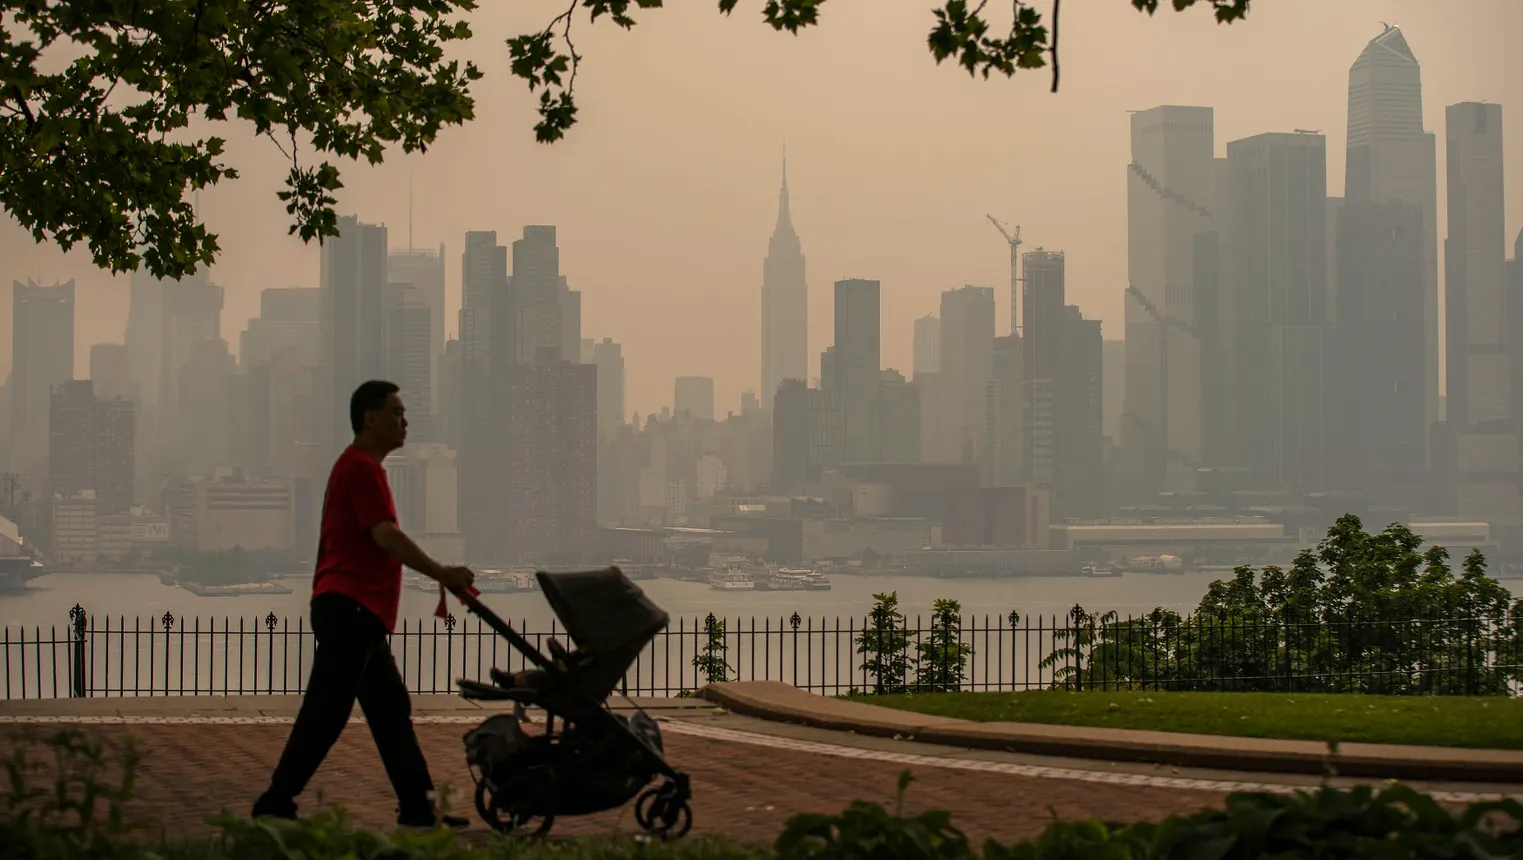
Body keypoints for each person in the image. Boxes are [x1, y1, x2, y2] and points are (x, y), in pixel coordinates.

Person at [252, 380, 477, 830]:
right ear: (370, 417)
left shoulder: (362, 468)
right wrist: (443, 573)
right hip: (350, 607)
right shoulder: (360, 469)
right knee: (328, 710)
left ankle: (418, 807)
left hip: (360, 612)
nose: (404, 421)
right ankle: (277, 798)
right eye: (396, 412)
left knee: (390, 710)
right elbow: (386, 536)